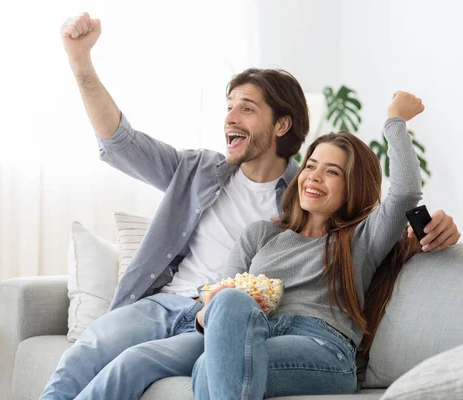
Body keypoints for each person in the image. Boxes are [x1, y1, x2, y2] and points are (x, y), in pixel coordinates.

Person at [39, 12, 461, 400]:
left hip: (293, 334)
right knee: (129, 355)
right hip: (217, 319)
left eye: (247, 108)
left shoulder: (339, 225)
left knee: (224, 330)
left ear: (281, 125)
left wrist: (396, 127)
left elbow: (401, 198)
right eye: (228, 106)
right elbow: (123, 143)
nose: (230, 117)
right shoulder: (242, 213)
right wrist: (81, 64)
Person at [191, 92, 427, 399]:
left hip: (323, 347)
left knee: (211, 367)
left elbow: (406, 193)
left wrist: (396, 119)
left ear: (352, 185)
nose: (313, 178)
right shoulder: (260, 235)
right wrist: (211, 309)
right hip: (258, 335)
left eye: (331, 172)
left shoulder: (362, 238)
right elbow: (221, 307)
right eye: (311, 166)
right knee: (226, 311)